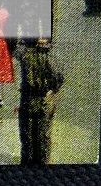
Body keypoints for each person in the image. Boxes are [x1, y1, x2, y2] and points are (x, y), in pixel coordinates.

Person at [18, 36, 63, 165]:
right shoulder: (47, 57)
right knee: (38, 136)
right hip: (39, 100)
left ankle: (30, 163)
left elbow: (14, 45)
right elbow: (59, 77)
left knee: (31, 137)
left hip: (32, 100)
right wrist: (52, 90)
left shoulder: (26, 55)